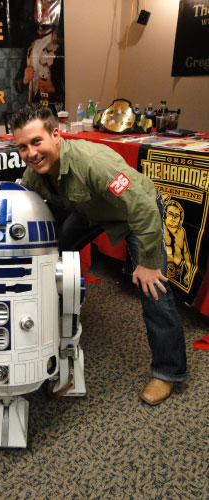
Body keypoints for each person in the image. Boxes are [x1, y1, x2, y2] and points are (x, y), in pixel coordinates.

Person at [10, 103, 187, 406]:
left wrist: (146, 263)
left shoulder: (94, 162)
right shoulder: (34, 174)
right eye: (22, 147)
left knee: (153, 288)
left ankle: (168, 371)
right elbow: (24, 205)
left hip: (135, 215)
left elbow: (143, 207)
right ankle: (62, 321)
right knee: (55, 256)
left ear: (56, 134)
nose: (31, 153)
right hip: (91, 209)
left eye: (36, 142)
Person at [14, 0, 64, 114]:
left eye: (45, 10)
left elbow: (71, 82)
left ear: (53, 13)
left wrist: (53, 88)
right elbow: (18, 85)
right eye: (38, 11)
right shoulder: (29, 44)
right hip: (33, 109)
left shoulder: (61, 45)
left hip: (54, 110)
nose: (40, 15)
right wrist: (24, 80)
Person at [163, 197, 192, 287]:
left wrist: (189, 271)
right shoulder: (160, 227)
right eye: (170, 214)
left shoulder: (181, 231)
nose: (173, 218)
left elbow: (186, 252)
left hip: (178, 271)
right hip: (160, 270)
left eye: (177, 216)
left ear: (180, 218)